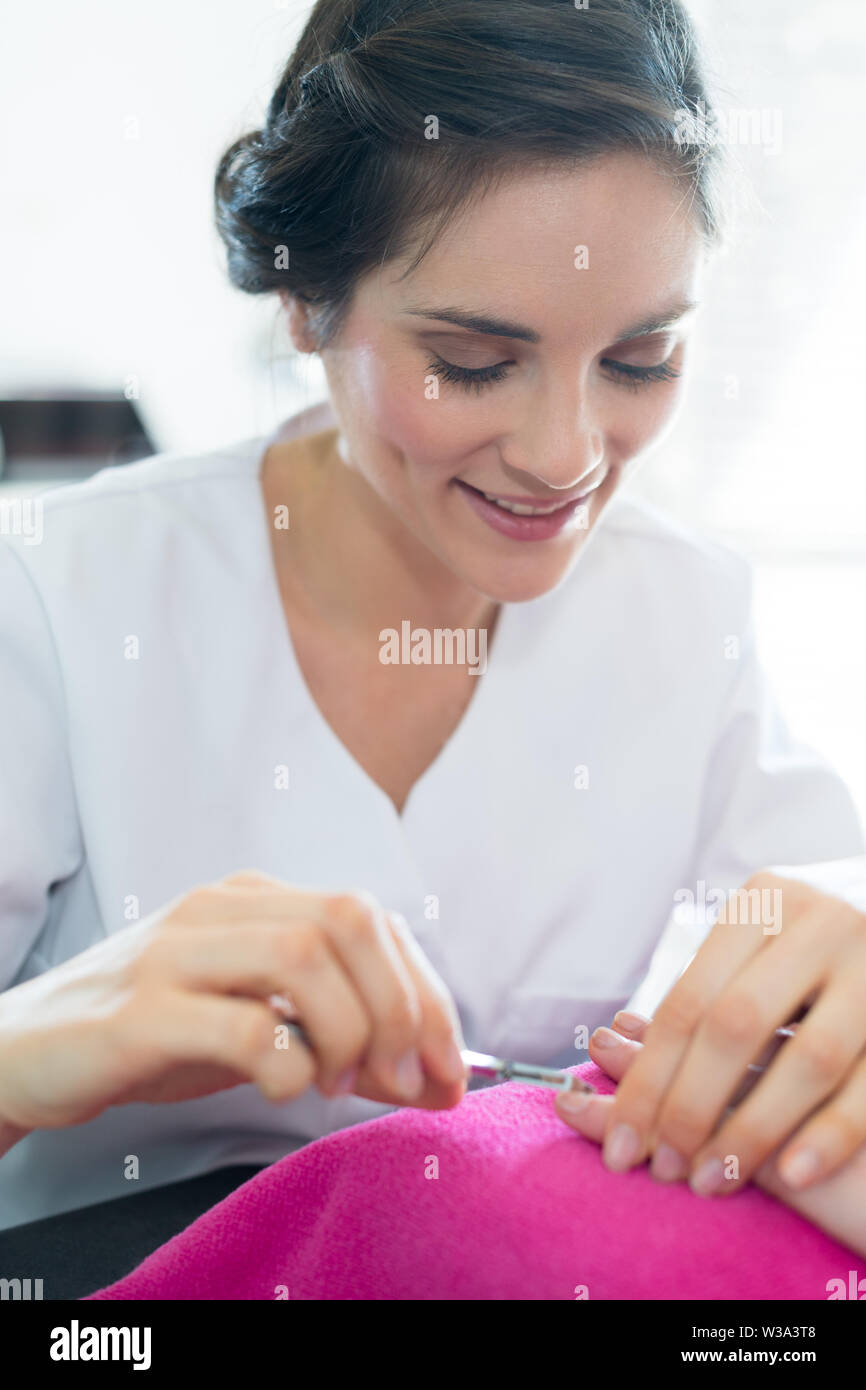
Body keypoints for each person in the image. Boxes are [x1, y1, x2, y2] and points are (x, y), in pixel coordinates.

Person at [1, 0, 865, 1241]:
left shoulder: (684, 614)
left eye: (637, 358)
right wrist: (32, 1043)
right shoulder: (58, 601)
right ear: (305, 306)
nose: (565, 454)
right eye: (469, 362)